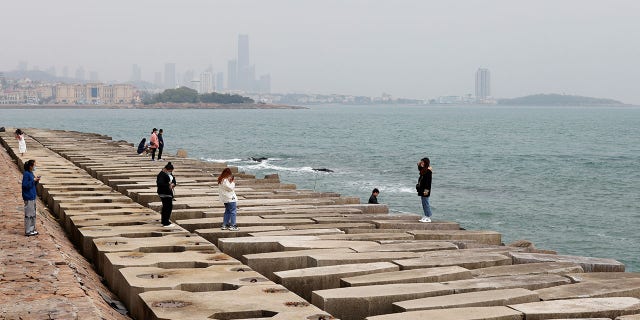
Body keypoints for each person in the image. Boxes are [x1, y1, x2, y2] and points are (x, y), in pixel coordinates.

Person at [22, 159, 40, 236]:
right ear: (30, 166)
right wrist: (33, 180)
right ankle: (28, 231)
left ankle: (32, 229)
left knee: (33, 214)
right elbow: (25, 185)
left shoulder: (31, 173)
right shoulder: (26, 174)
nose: (35, 166)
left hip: (32, 196)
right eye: (34, 165)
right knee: (28, 214)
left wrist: (36, 181)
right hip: (28, 196)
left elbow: (33, 185)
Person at [156, 162, 176, 227]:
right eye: (169, 171)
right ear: (165, 169)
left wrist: (173, 184)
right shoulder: (161, 175)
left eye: (171, 171)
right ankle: (166, 222)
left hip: (168, 193)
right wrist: (168, 185)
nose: (170, 172)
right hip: (164, 193)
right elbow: (159, 184)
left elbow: (173, 179)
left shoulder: (168, 174)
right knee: (167, 208)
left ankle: (165, 221)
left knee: (166, 207)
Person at [416, 157, 433, 222]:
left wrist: (426, 191)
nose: (421, 163)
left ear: (426, 163)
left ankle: (428, 217)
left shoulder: (428, 171)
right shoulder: (423, 170)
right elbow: (418, 165)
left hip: (426, 190)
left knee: (426, 203)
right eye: (421, 162)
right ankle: (426, 215)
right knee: (424, 203)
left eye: (423, 162)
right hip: (422, 189)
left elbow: (428, 183)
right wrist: (420, 163)